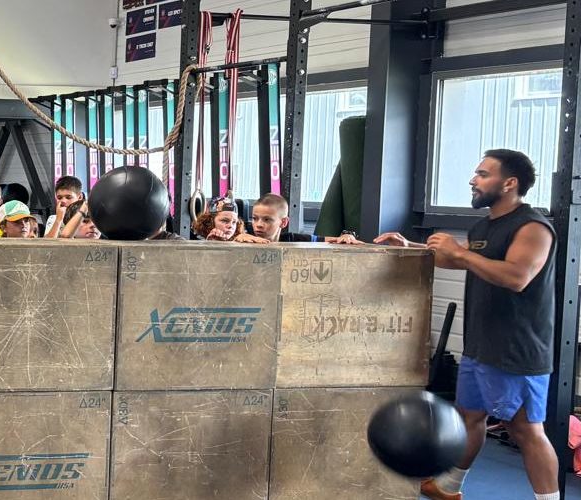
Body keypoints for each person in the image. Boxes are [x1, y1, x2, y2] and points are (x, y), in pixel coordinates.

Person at [375, 150, 558, 500]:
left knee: (526, 430)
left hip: (516, 350)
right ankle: (448, 487)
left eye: (483, 174)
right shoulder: (484, 226)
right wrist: (411, 246)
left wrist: (460, 252)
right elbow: (463, 261)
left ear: (510, 183)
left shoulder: (531, 227)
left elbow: (517, 276)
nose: (473, 180)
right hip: (480, 344)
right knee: (469, 417)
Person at [232, 193, 361, 244]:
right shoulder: (245, 235)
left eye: (267, 220)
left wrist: (347, 236)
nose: (258, 224)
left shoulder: (292, 239)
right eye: (255, 218)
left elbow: (332, 240)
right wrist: (237, 239)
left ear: (283, 222)